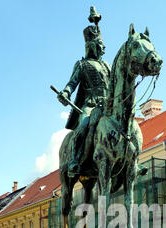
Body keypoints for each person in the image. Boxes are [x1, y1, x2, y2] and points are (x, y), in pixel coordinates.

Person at [57, 7, 111, 178]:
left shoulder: (107, 66)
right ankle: (74, 159)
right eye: (99, 45)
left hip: (108, 105)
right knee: (82, 127)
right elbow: (72, 83)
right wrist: (66, 93)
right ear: (91, 46)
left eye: (102, 45)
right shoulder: (82, 65)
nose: (102, 48)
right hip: (90, 105)